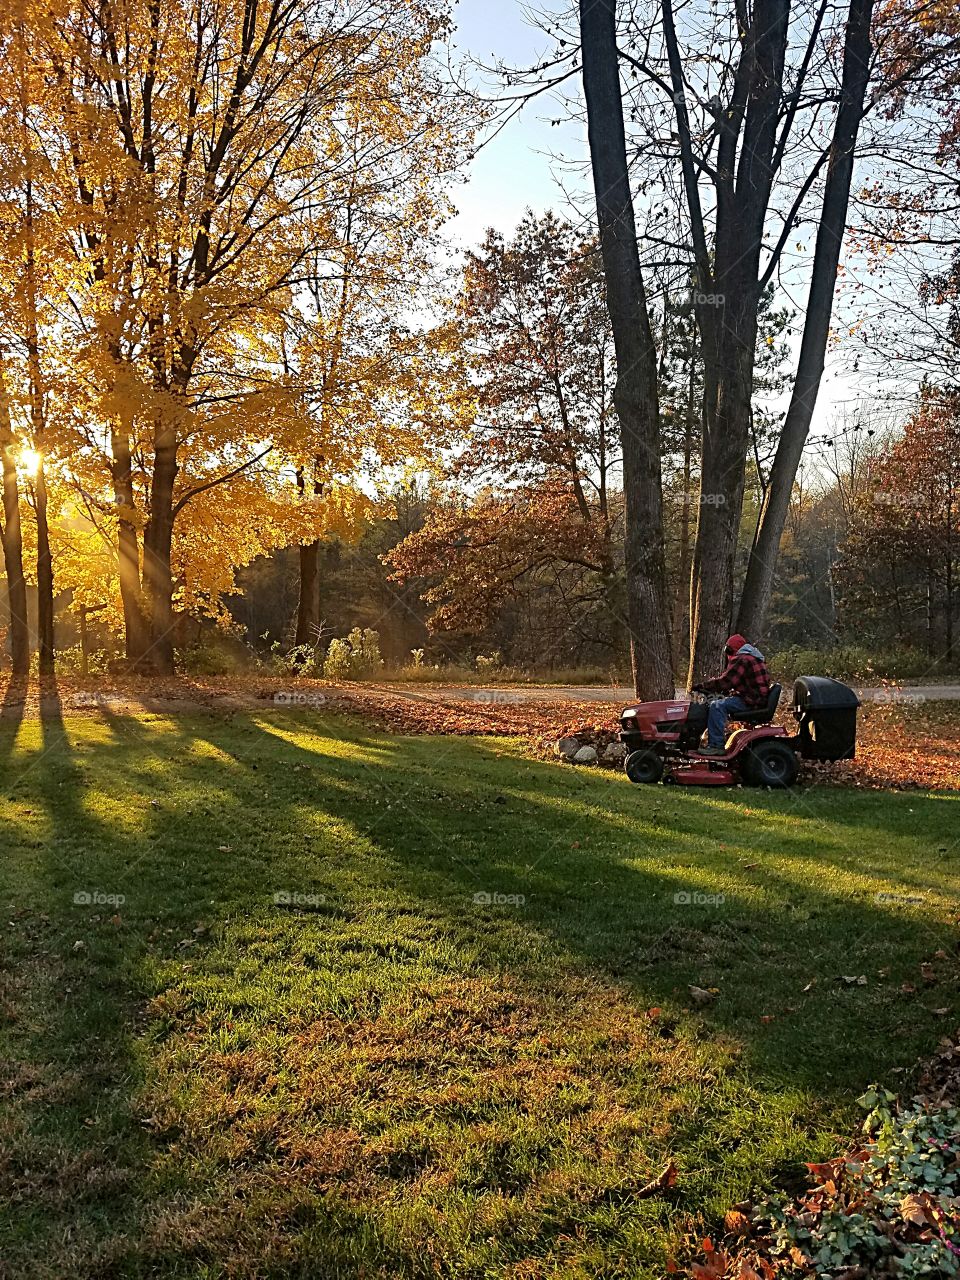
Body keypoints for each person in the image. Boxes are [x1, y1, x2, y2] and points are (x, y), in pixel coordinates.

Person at [693, 633, 771, 755]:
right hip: (755, 698)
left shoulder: (743, 659)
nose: (727, 653)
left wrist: (703, 686)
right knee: (719, 701)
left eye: (728, 649)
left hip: (752, 701)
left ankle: (716, 746)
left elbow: (727, 682)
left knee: (716, 706)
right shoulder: (753, 657)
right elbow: (736, 681)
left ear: (733, 649)